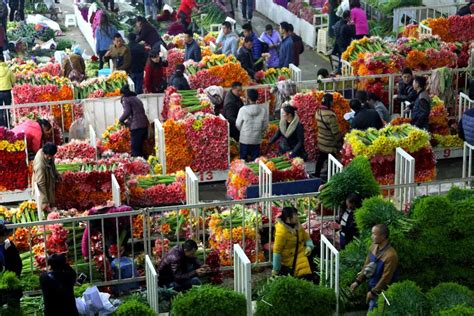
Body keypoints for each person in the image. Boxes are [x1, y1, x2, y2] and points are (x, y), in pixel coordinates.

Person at [351, 224, 398, 311]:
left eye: (374, 234)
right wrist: (357, 282)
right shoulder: (374, 246)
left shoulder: (391, 255)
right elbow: (366, 266)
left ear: (383, 236)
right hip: (371, 287)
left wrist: (373, 292)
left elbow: (386, 278)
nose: (371, 236)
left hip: (382, 293)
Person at [272, 207, 314, 278]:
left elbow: (306, 237)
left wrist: (309, 246)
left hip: (302, 253)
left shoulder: (297, 225)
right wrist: (276, 270)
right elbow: (277, 252)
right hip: (290, 259)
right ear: (288, 218)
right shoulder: (281, 233)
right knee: (304, 273)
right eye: (295, 215)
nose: (297, 217)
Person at [236, 89, 268, 161]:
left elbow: (238, 124)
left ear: (248, 98)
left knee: (243, 160)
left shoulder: (242, 110)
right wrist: (259, 131)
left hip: (245, 139)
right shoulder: (262, 110)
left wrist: (243, 131)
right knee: (255, 161)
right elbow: (265, 125)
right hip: (256, 139)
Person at [314, 93, 342, 178]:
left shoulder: (318, 112)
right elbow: (335, 132)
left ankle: (316, 175)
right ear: (330, 102)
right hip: (329, 143)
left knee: (321, 159)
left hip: (321, 141)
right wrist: (340, 141)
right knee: (332, 161)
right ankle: (332, 177)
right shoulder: (330, 115)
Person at [119, 84, 149, 157]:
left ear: (122, 93)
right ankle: (144, 164)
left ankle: (138, 165)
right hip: (144, 124)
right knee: (141, 148)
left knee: (135, 149)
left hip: (136, 127)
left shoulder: (125, 99)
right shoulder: (136, 98)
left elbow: (127, 112)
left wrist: (120, 120)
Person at [32, 143, 58, 210]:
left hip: (48, 177)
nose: (50, 158)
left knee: (50, 197)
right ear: (43, 153)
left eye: (51, 156)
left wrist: (56, 174)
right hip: (41, 183)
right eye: (48, 156)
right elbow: (41, 184)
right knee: (44, 206)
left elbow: (52, 165)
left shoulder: (48, 153)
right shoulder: (40, 165)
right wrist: (45, 201)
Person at [0, 54, 14, 127]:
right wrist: (12, 84)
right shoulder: (8, 69)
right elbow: (13, 80)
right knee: (7, 108)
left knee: (0, 109)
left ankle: (1, 125)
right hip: (7, 91)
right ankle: (8, 124)